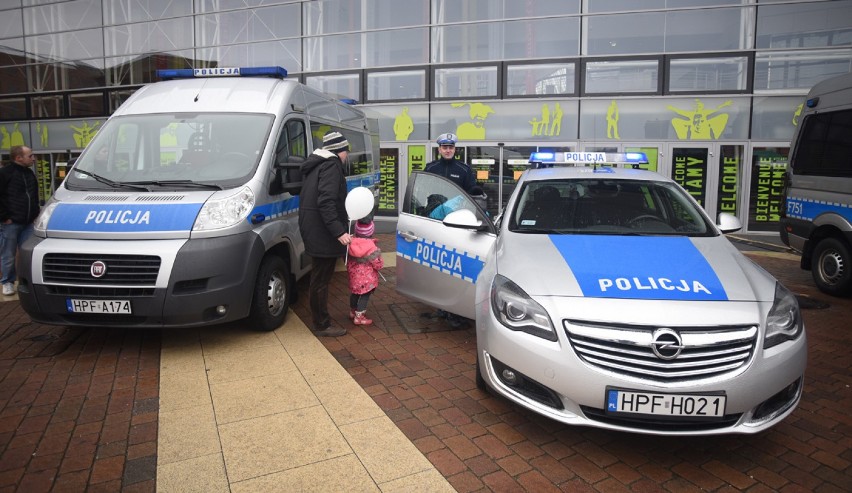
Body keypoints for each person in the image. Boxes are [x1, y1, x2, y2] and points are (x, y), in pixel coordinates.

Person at [298, 131, 353, 337]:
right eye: (346, 151)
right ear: (340, 151)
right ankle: (322, 324)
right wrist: (339, 231)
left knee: (317, 277)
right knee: (321, 280)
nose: (347, 155)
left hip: (313, 228)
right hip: (323, 232)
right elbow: (326, 201)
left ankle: (320, 320)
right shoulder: (331, 166)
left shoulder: (317, 164)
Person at [423, 133, 476, 329]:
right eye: (444, 147)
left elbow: (472, 193)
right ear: (439, 149)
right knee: (437, 265)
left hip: (456, 226)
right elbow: (422, 194)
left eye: (451, 147)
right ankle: (440, 305)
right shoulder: (430, 168)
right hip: (435, 225)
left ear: (455, 149)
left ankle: (455, 309)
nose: (447, 150)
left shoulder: (463, 169)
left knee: (454, 265)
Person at [0, 145, 39, 296]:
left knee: (26, 254)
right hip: (11, 223)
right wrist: (4, 217)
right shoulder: (5, 173)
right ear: (18, 158)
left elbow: (34, 195)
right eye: (30, 156)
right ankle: (7, 282)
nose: (33, 158)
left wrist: (35, 213)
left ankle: (24, 280)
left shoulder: (29, 174)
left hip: (28, 222)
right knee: (8, 254)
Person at [346, 218, 384, 326]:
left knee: (354, 294)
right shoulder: (371, 247)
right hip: (367, 279)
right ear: (371, 232)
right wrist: (380, 264)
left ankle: (353, 311)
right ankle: (359, 317)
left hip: (354, 277)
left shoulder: (351, 244)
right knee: (365, 295)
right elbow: (378, 264)